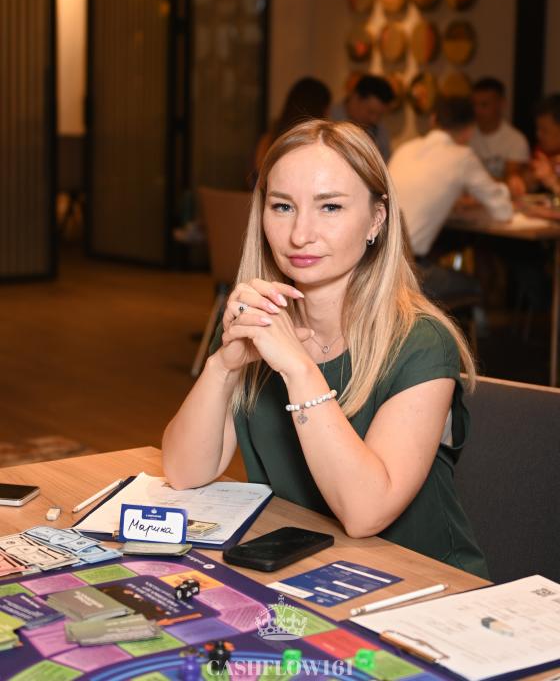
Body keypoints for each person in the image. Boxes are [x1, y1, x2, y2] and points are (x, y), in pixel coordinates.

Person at [163, 119, 488, 578]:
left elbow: (365, 513)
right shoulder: (262, 318)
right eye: (282, 206)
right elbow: (184, 472)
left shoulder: (420, 342)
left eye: (330, 207)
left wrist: (299, 369)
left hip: (423, 585)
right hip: (307, 569)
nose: (300, 234)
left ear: (377, 219)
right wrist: (222, 365)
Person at [389, 97, 513, 301]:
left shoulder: (405, 148)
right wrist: (508, 191)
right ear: (470, 130)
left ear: (433, 120)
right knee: (475, 285)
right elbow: (503, 212)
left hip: (373, 261)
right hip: (407, 274)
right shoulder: (462, 157)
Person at [254, 77, 331, 174]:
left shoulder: (268, 139)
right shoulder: (319, 147)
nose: (328, 114)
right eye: (327, 108)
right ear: (319, 109)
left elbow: (259, 173)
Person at [470, 77, 530, 180]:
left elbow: (511, 181)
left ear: (501, 104)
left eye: (484, 105)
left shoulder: (516, 140)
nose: (477, 111)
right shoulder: (465, 135)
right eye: (474, 105)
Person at [330, 74, 394, 162]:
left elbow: (386, 163)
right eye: (370, 112)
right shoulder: (329, 120)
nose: (374, 119)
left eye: (380, 115)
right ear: (355, 97)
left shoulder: (380, 130)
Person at [511, 94, 560, 196]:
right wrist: (522, 182)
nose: (538, 134)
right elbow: (530, 182)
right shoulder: (543, 151)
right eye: (537, 129)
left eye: (544, 130)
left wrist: (553, 182)